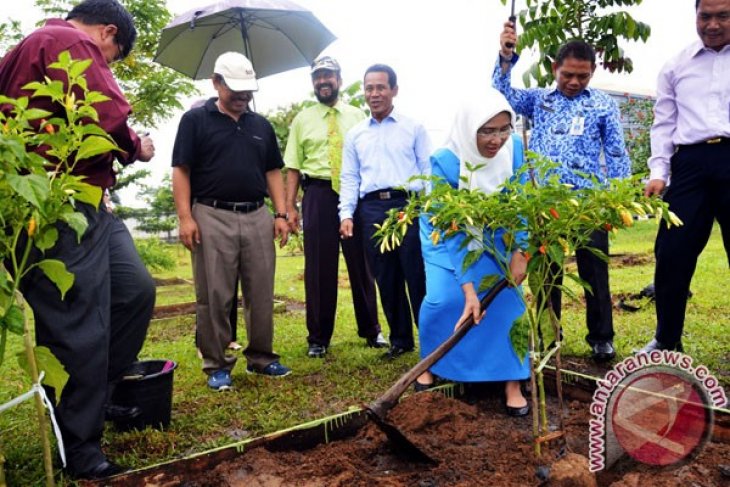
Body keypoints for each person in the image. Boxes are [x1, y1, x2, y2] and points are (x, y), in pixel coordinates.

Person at [0, 0, 155, 479]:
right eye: (113, 57)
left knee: (134, 291)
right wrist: (137, 146)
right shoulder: (68, 41)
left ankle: (95, 398)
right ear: (108, 33)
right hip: (52, 205)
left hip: (89, 203)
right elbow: (108, 115)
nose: (105, 65)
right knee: (77, 323)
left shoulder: (28, 49)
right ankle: (79, 446)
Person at [493, 29, 631, 362]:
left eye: (582, 76)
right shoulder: (538, 100)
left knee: (594, 271)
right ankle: (548, 334)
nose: (574, 81)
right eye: (567, 74)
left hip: (588, 205)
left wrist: (618, 197)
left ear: (592, 73)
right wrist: (506, 58)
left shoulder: (602, 104)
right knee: (546, 272)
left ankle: (601, 337)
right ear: (554, 67)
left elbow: (615, 152)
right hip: (545, 205)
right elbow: (500, 94)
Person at [172, 51, 292, 391]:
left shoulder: (261, 125)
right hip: (211, 215)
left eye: (247, 92)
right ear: (216, 83)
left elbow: (272, 170)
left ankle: (262, 357)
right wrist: (185, 217)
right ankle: (217, 364)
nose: (242, 98)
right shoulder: (195, 120)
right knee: (214, 293)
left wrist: (281, 213)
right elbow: (181, 169)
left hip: (257, 214)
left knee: (261, 290)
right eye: (234, 91)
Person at [415, 89, 530, 416]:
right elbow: (452, 227)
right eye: (486, 131)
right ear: (469, 129)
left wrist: (520, 250)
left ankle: (512, 380)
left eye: (503, 129)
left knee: (510, 300)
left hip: (497, 232)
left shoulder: (514, 150)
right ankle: (432, 361)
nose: (496, 140)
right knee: (443, 300)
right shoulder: (445, 161)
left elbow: (521, 203)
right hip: (446, 234)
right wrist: (468, 288)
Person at [639, 0, 730, 353]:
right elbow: (663, 123)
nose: (712, 24)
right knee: (672, 251)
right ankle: (666, 338)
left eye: (723, 16)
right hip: (689, 163)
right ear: (695, 16)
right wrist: (659, 171)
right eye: (705, 16)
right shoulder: (676, 66)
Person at [284, 56, 386, 358]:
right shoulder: (302, 120)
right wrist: (289, 207)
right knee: (318, 267)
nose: (322, 82)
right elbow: (292, 167)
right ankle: (318, 338)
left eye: (328, 76)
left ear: (339, 80)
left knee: (362, 265)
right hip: (317, 193)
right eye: (317, 77)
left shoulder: (357, 116)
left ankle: (372, 330)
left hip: (354, 195)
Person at [339, 64, 431, 360]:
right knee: (385, 276)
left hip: (408, 207)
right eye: (369, 88)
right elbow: (350, 177)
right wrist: (347, 214)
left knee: (417, 275)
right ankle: (400, 340)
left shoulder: (413, 128)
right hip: (371, 209)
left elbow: (427, 170)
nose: (374, 94)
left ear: (394, 90)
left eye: (380, 87)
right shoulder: (355, 135)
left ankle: (430, 339)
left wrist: (428, 208)